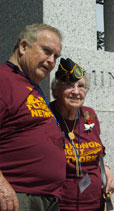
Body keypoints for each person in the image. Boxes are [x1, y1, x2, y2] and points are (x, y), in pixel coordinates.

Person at [0, 23, 65, 211]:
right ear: (23, 47)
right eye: (46, 51)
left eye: (56, 57)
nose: (51, 61)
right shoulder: (4, 80)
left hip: (47, 198)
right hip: (17, 196)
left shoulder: (30, 86)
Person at [50, 58, 114, 211]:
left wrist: (106, 169)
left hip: (96, 202)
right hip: (61, 204)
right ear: (55, 90)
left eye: (81, 86)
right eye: (68, 85)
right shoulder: (47, 117)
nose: (76, 92)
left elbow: (98, 152)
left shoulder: (89, 114)